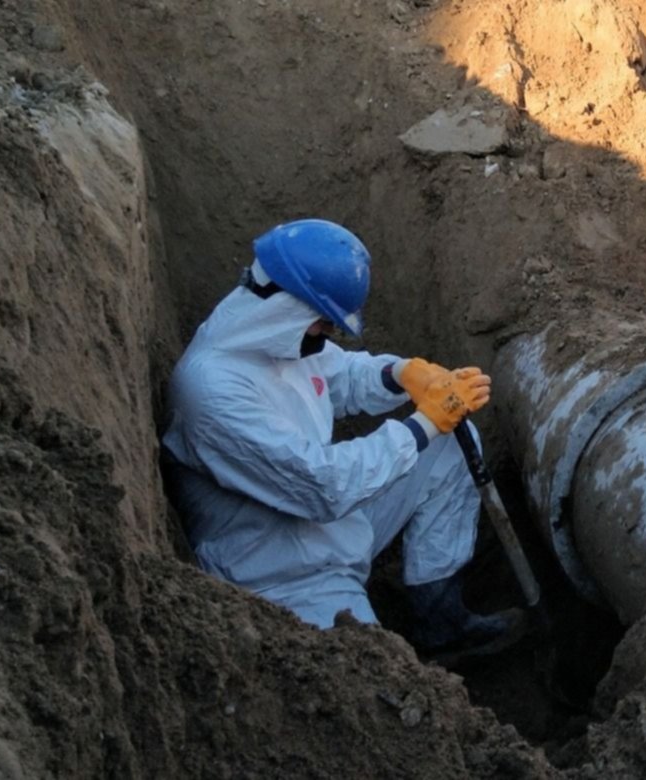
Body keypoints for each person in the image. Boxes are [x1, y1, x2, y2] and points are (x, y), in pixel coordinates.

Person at [161, 218, 516, 652]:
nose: (328, 334)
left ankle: (442, 623)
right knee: (371, 666)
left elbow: (339, 373)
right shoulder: (213, 391)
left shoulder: (276, 335)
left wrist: (400, 373)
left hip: (328, 529)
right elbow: (321, 486)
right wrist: (424, 423)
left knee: (453, 446)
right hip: (279, 575)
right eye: (323, 322)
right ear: (289, 308)